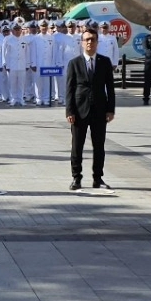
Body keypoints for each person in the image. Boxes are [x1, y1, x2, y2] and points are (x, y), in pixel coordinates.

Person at [65, 28, 116, 191]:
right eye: (86, 39)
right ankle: (76, 177)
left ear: (97, 42)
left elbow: (110, 87)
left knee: (99, 146)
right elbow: (69, 89)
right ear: (82, 42)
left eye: (93, 39)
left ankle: (98, 178)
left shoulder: (104, 62)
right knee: (77, 146)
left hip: (100, 110)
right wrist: (69, 111)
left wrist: (111, 109)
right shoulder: (74, 63)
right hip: (79, 110)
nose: (90, 42)